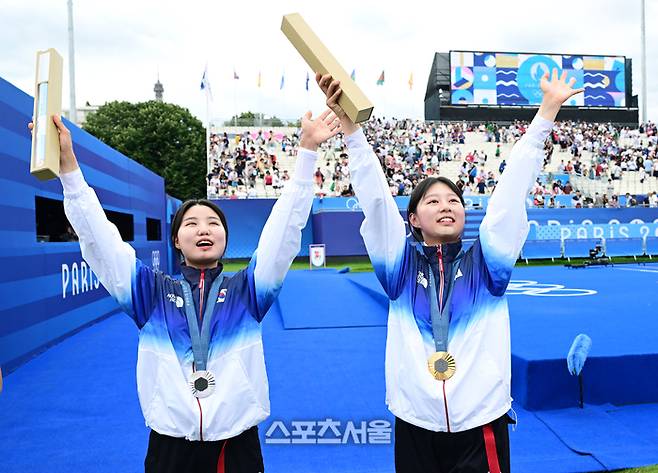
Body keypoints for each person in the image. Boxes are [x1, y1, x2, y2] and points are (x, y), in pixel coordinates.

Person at [30, 109, 342, 473]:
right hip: (170, 446)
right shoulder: (149, 293)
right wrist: (69, 169)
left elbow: (284, 233)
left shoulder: (248, 290)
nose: (203, 229)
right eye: (191, 223)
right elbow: (101, 242)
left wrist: (306, 152)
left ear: (226, 239)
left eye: (213, 222)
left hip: (235, 442)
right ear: (176, 239)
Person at [315, 69, 582, 473]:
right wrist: (351, 129)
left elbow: (510, 195)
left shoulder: (488, 264)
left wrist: (545, 115)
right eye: (432, 201)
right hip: (415, 421)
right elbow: (375, 199)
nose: (446, 205)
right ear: (413, 220)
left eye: (453, 199)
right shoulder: (399, 268)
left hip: (481, 423)